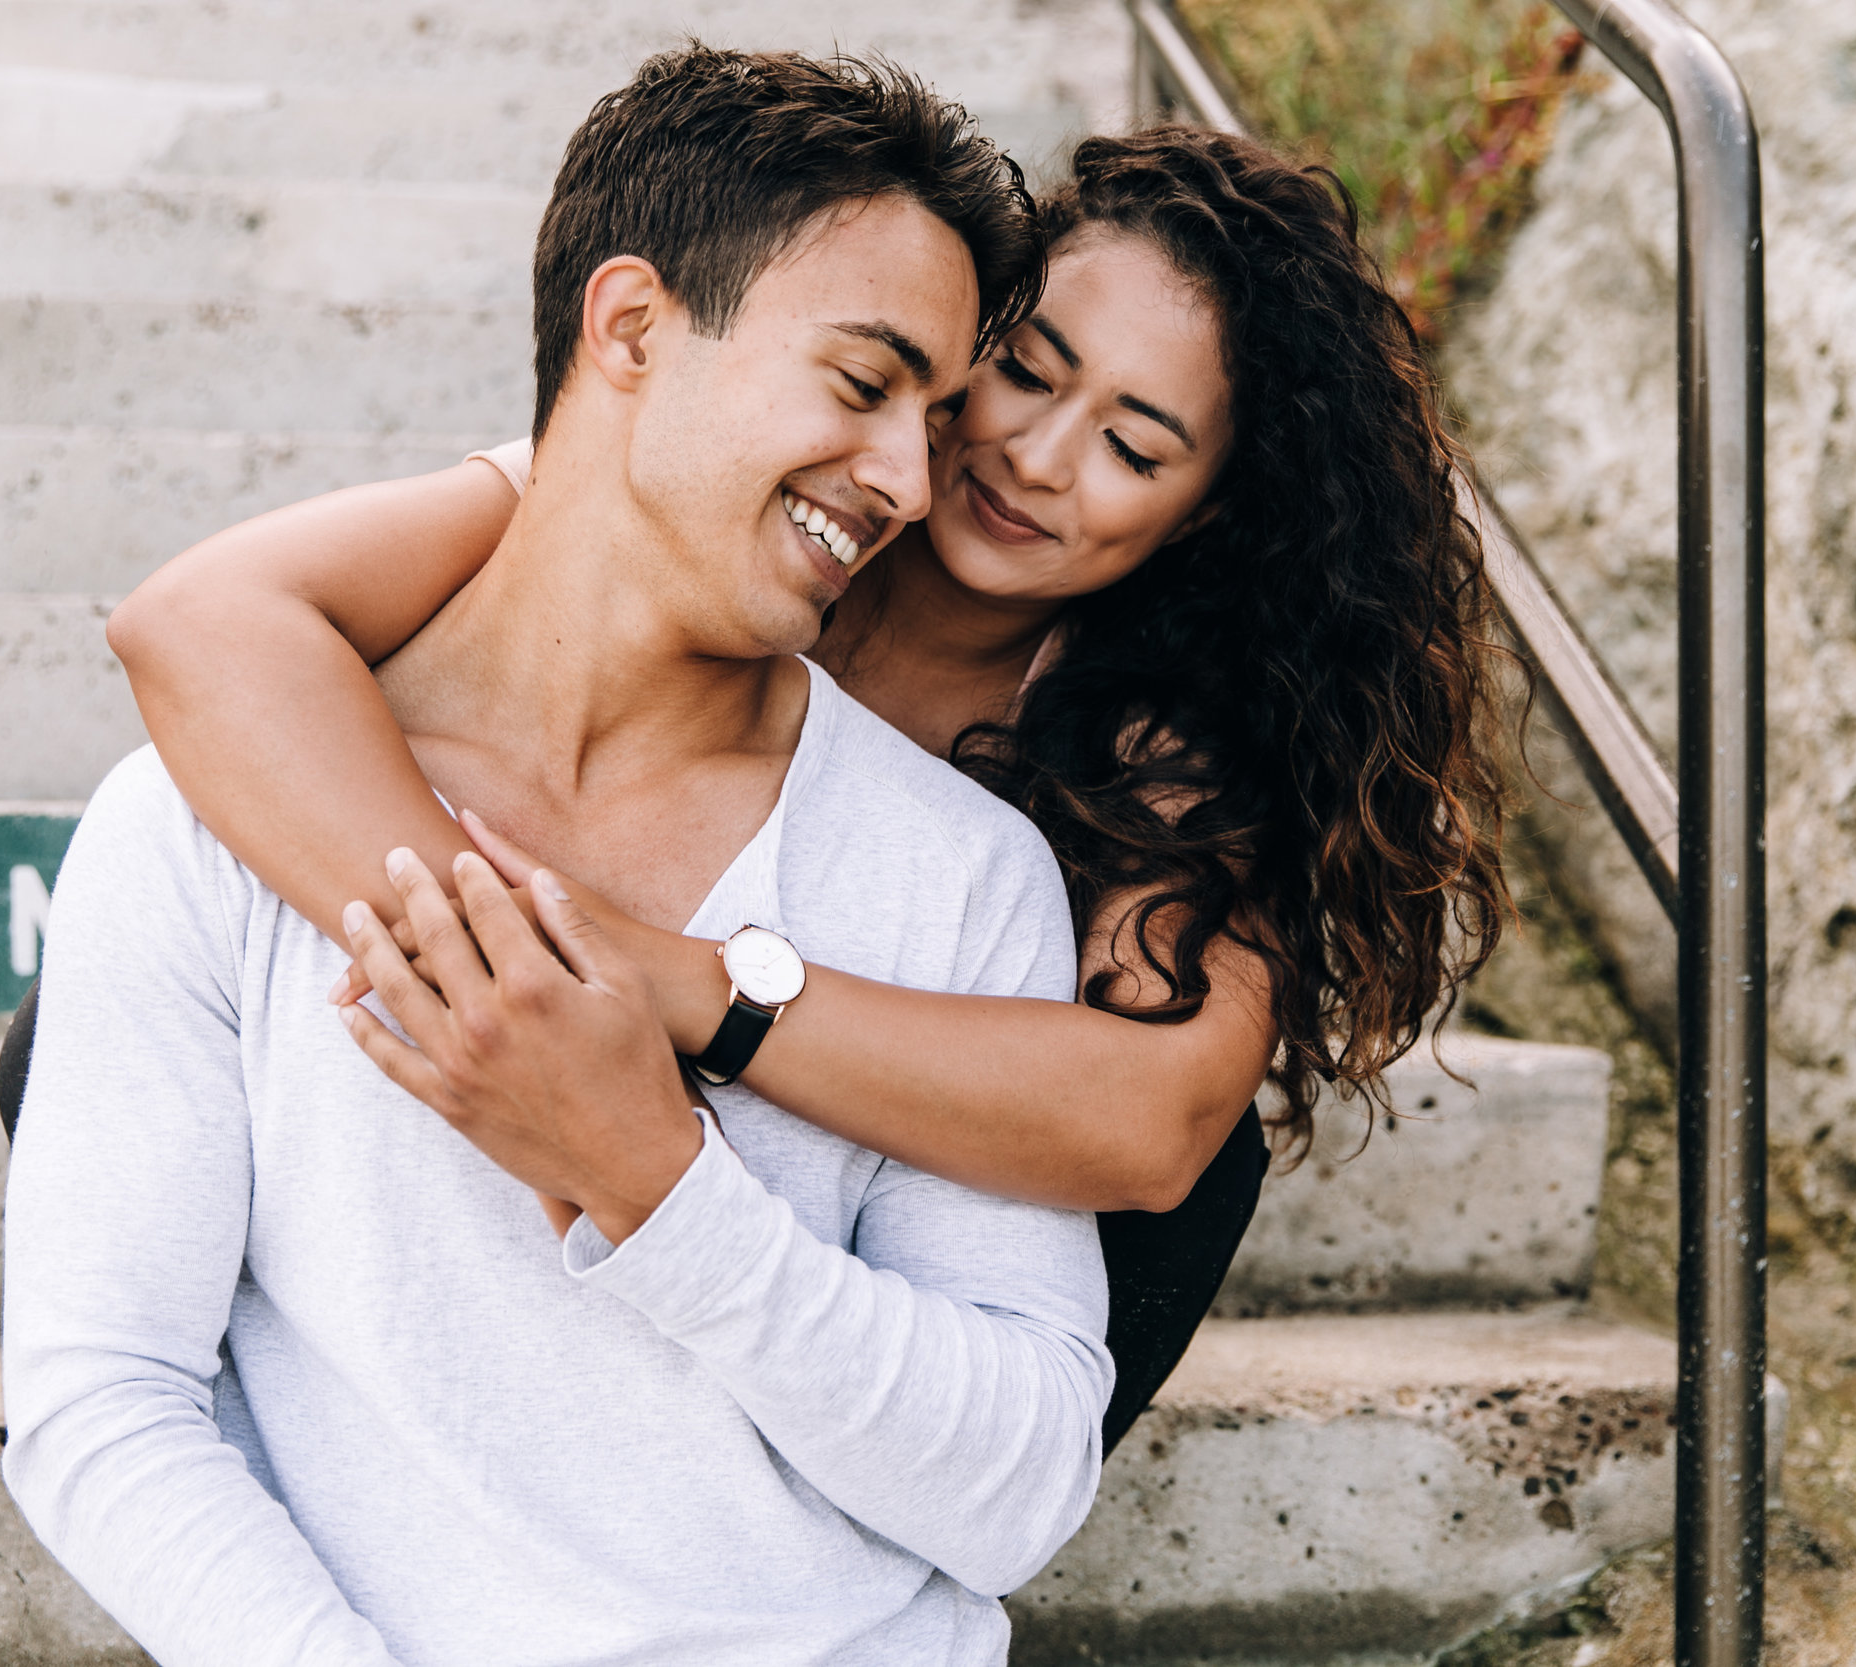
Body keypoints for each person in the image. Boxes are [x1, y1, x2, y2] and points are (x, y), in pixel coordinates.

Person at [94, 123, 1516, 1442]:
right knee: (128, 1005)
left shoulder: (1167, 743)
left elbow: (1153, 1128)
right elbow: (204, 623)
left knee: (1197, 1193)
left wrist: (667, 983)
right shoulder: (750, 479)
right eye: (1024, 370)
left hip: (832, 1228)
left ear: (1209, 510)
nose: (1035, 453)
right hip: (536, 1128)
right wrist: (497, 970)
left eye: (1135, 447)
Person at [2, 48, 1115, 1667]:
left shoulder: (963, 872)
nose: (912, 480)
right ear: (633, 328)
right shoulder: (199, 828)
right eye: (866, 384)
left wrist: (656, 1182)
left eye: (939, 418)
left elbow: (1018, 1497)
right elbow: (103, 1404)